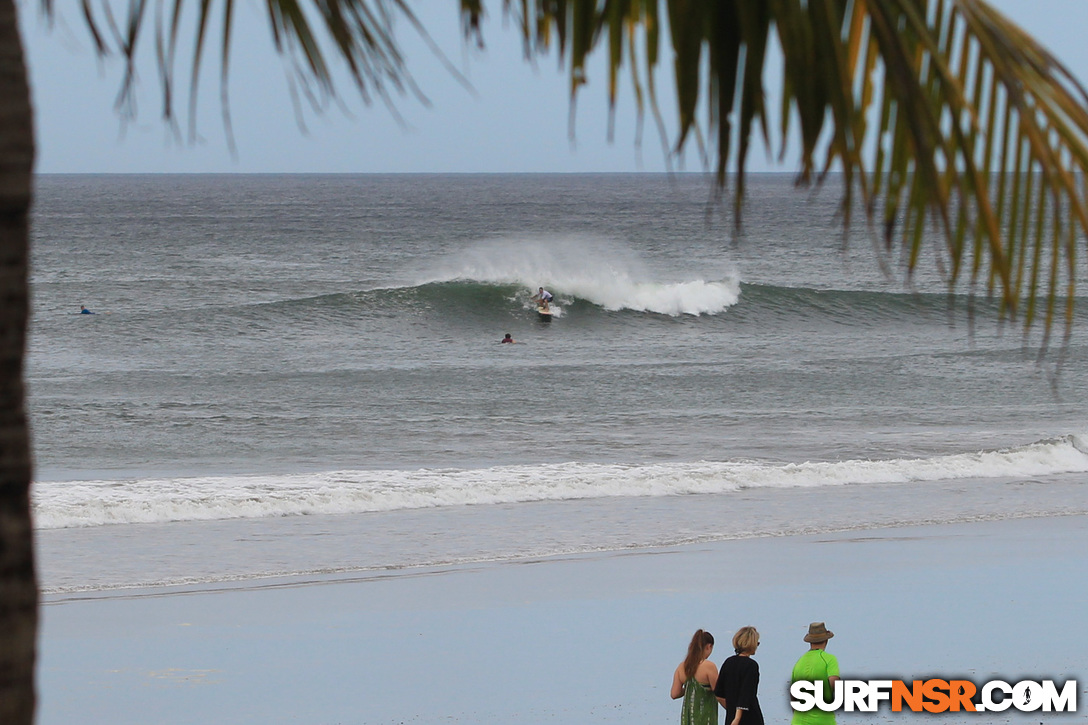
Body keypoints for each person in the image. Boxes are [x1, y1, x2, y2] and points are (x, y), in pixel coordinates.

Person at [789, 622, 841, 725]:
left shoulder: (799, 662)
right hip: (823, 720)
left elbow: (793, 693)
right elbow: (834, 681)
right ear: (826, 640)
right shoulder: (829, 659)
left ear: (810, 641)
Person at [714, 626, 763, 725]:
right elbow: (746, 694)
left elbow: (719, 694)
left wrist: (732, 709)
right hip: (750, 718)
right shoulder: (751, 665)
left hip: (730, 716)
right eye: (757, 643)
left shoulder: (728, 662)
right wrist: (737, 718)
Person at [671, 629, 718, 725]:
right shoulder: (709, 666)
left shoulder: (682, 667)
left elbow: (674, 694)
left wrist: (690, 690)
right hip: (705, 719)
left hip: (687, 720)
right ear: (709, 646)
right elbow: (718, 692)